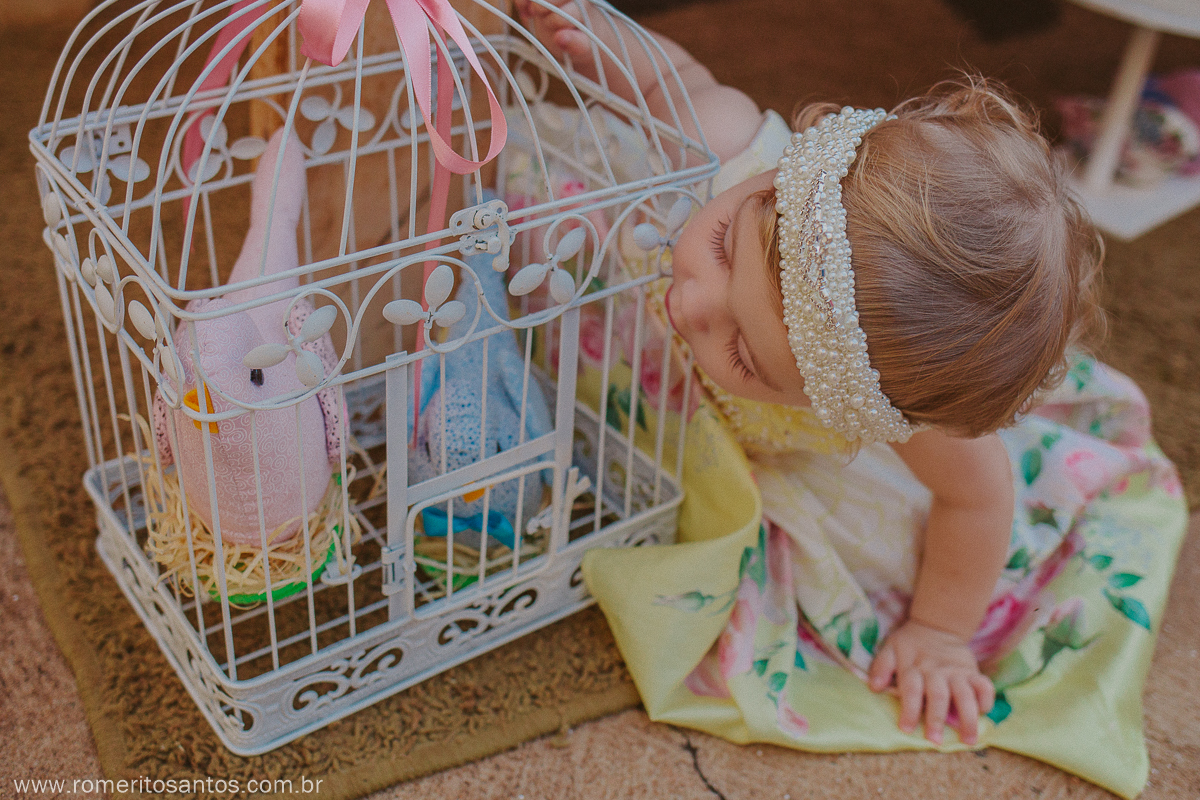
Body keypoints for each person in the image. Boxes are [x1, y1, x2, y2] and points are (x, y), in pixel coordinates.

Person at [515, 0, 1183, 756]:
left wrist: (938, 631)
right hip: (609, 244)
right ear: (773, 180)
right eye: (723, 247)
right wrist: (596, 40)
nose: (688, 301)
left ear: (835, 402)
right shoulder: (727, 148)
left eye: (744, 355)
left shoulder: (879, 414)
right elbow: (675, 75)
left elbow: (981, 494)